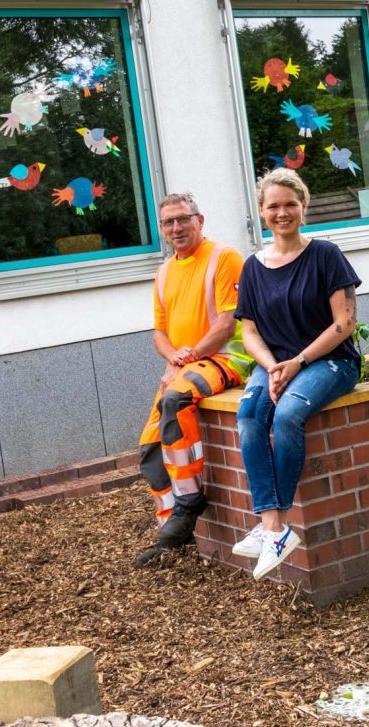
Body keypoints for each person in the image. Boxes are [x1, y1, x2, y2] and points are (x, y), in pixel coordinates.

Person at [231, 168, 361, 580]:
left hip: (330, 362)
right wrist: (272, 366)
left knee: (287, 415)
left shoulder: (326, 255)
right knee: (250, 415)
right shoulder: (252, 267)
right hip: (275, 363)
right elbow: (248, 330)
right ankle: (272, 524)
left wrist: (297, 363)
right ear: (262, 212)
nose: (282, 212)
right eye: (273, 206)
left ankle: (274, 527)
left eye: (290, 204)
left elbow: (344, 323)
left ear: (304, 206)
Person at [135, 192, 252, 566]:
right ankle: (172, 533)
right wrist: (174, 356)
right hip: (186, 365)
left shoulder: (224, 257)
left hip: (226, 358)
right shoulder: (164, 271)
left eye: (183, 219)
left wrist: (189, 356)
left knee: (177, 399)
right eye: (168, 222)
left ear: (200, 221)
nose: (176, 227)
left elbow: (228, 323)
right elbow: (159, 333)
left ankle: (189, 499)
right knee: (149, 449)